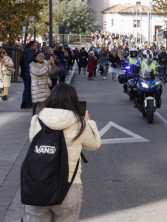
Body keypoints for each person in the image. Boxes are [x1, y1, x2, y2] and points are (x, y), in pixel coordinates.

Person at [24, 83, 101, 221]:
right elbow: (94, 144)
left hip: (37, 185)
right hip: (68, 186)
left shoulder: (36, 119)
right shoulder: (79, 123)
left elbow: (33, 140)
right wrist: (89, 122)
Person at [30, 51, 56, 116]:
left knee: (45, 106)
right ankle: (36, 120)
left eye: (42, 56)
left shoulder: (45, 62)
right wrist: (47, 65)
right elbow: (39, 73)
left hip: (46, 87)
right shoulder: (32, 65)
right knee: (38, 106)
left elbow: (52, 72)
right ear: (35, 58)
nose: (41, 57)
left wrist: (53, 65)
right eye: (39, 56)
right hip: (37, 88)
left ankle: (43, 120)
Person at [23, 41, 38, 111]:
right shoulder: (30, 53)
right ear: (31, 46)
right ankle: (29, 105)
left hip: (29, 73)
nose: (36, 47)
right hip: (29, 74)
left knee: (28, 89)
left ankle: (28, 104)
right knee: (29, 90)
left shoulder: (29, 52)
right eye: (35, 45)